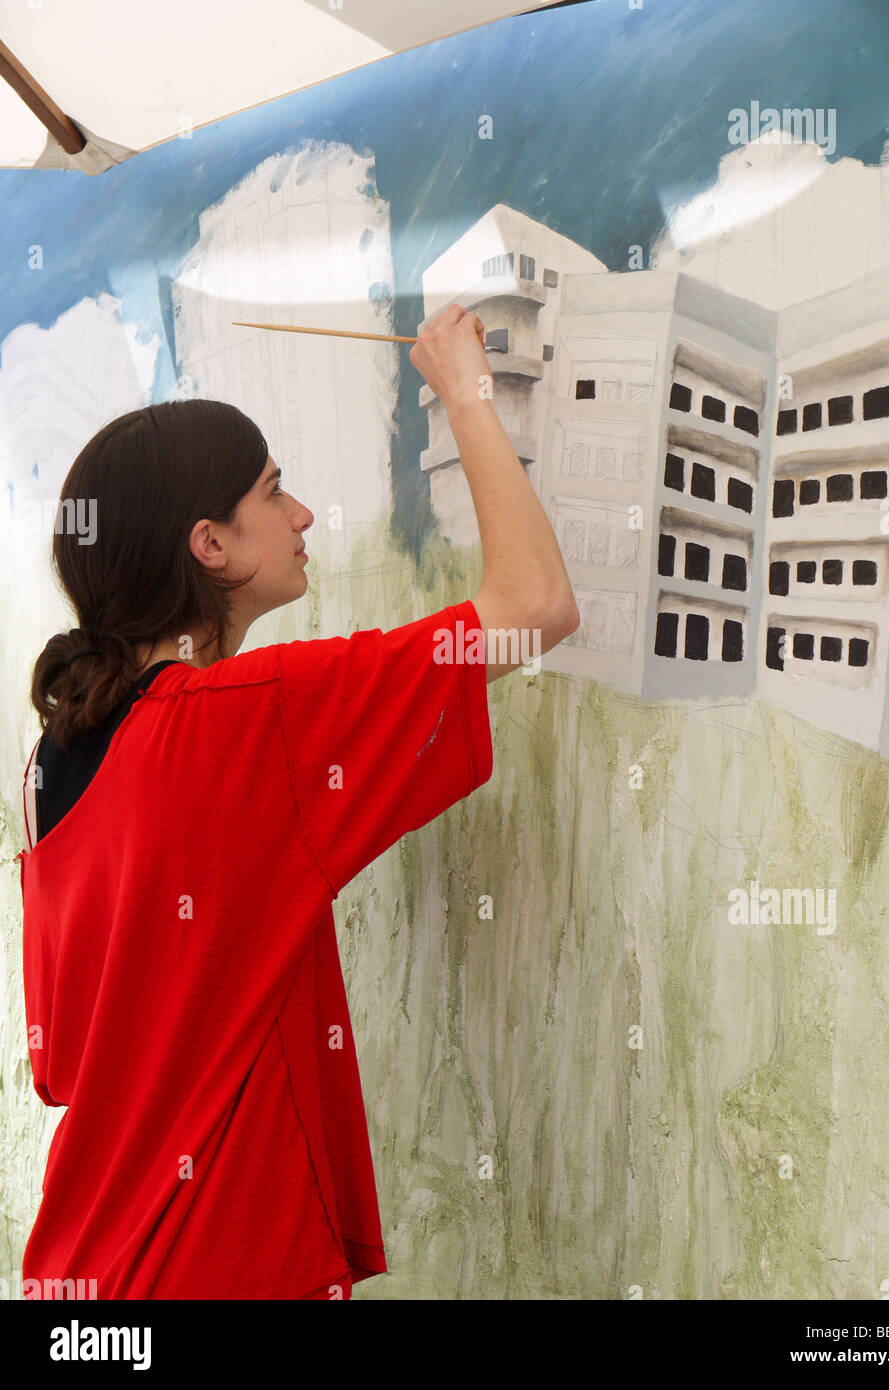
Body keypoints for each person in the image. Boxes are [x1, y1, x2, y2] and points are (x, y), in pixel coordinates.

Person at [15, 304, 579, 1301]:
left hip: (83, 1281)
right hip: (215, 1269)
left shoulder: (47, 766)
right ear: (211, 545)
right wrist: (468, 394)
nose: (304, 515)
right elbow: (532, 606)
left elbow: (61, 1067)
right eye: (275, 491)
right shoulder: (243, 721)